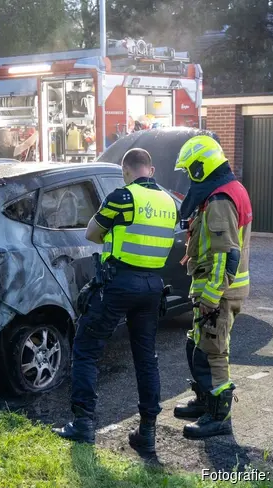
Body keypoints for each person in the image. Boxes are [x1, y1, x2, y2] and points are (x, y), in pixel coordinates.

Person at [52, 148, 178, 453]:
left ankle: (83, 424)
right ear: (151, 169)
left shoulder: (124, 197)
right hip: (152, 286)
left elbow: (92, 233)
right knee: (146, 357)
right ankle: (147, 431)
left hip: (119, 282)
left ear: (126, 171)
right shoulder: (168, 202)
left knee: (86, 348)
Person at [172, 135, 252, 439]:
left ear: (200, 167)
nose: (189, 176)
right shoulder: (227, 189)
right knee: (198, 343)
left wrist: (210, 295)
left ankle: (219, 417)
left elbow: (225, 254)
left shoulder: (220, 199)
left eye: (190, 169)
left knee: (214, 352)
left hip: (218, 291)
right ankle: (205, 401)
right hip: (213, 287)